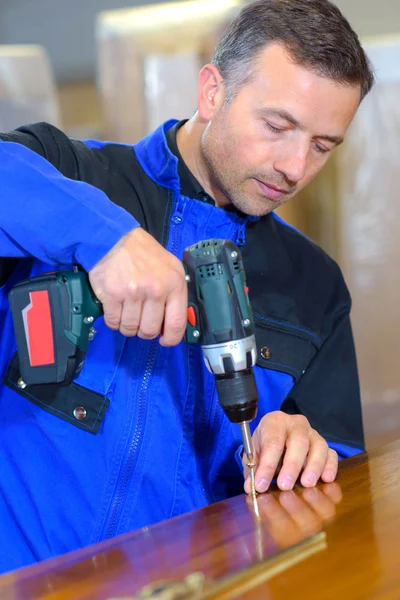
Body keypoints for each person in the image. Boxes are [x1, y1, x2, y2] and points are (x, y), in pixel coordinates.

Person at [0, 0, 374, 574]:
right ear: (211, 92)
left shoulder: (314, 287)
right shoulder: (73, 174)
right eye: (278, 126)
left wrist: (308, 450)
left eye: (323, 146)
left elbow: (345, 477)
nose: (295, 167)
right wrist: (105, 239)